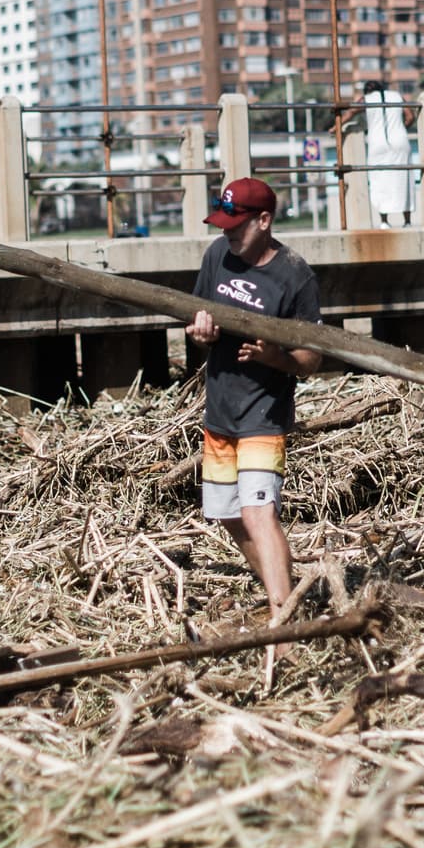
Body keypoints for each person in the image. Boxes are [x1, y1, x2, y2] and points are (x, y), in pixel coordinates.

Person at [185, 177, 322, 616]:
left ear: (264, 220)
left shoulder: (295, 275)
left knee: (259, 512)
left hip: (265, 413)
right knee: (228, 513)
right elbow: (197, 324)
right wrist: (200, 335)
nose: (227, 232)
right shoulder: (216, 256)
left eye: (236, 225)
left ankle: (281, 619)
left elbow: (311, 360)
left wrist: (273, 357)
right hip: (220, 411)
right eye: (224, 223)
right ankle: (285, 592)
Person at [332, 80, 415, 227]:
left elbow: (350, 112)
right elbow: (410, 116)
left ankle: (384, 221)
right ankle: (407, 221)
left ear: (366, 91)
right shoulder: (397, 96)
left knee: (379, 180)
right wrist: (401, 129)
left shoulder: (366, 99)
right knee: (404, 178)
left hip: (377, 144)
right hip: (400, 142)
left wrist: (335, 128)